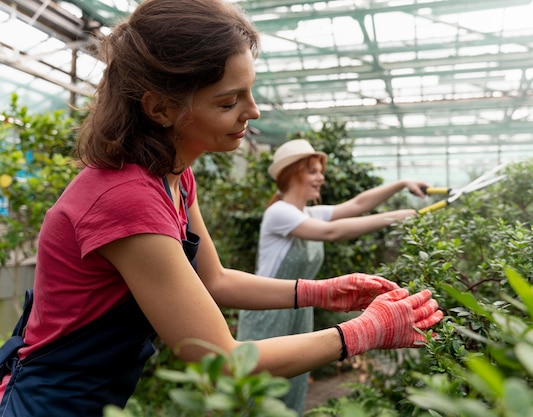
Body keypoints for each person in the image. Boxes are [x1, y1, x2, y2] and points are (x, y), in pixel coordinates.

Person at [0, 0, 443, 416]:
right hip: (48, 403)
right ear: (161, 108)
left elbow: (214, 280)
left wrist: (323, 291)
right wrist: (365, 332)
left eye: (249, 93)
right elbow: (223, 360)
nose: (252, 112)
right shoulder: (124, 199)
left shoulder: (172, 174)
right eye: (228, 101)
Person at [237, 138, 432, 414]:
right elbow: (333, 232)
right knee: (257, 389)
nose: (321, 177)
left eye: (320, 171)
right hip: (267, 312)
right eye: (313, 171)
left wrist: (402, 184)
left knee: (291, 388)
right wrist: (394, 218)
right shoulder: (279, 213)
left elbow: (358, 204)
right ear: (293, 174)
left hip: (298, 311)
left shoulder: (309, 212)